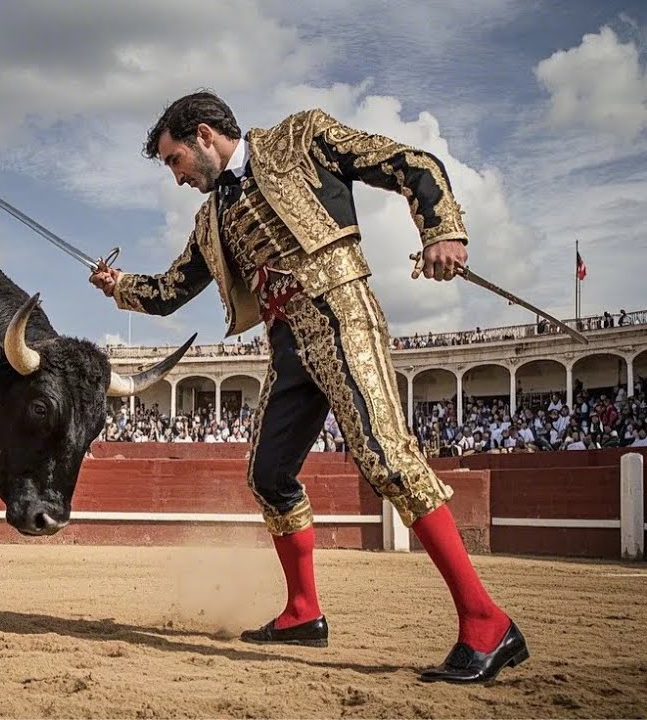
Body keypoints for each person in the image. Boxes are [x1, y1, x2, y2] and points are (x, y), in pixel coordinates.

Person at [90, 91, 527, 683]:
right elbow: (171, 291)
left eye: (175, 161)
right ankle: (303, 611)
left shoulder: (301, 138)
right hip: (288, 343)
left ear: (202, 135)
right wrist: (118, 286)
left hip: (340, 312)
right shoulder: (210, 221)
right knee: (268, 475)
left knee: (388, 460)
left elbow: (410, 162)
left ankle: (486, 622)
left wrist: (442, 229)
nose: (177, 178)